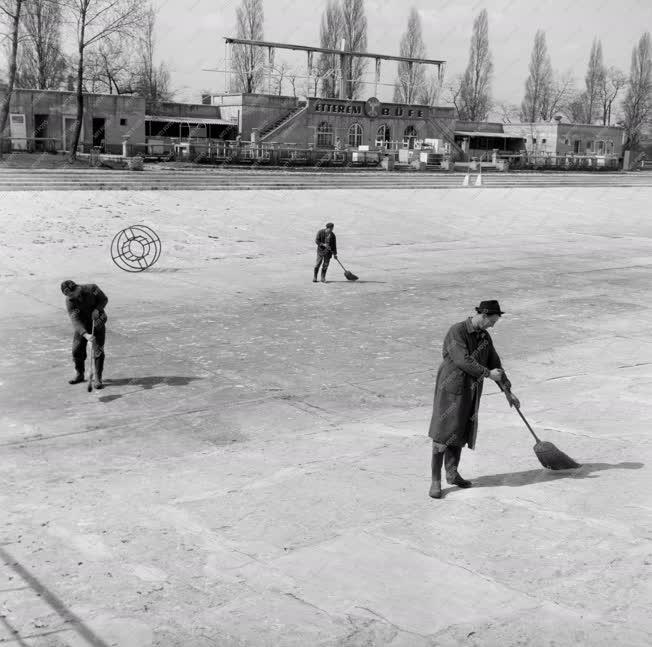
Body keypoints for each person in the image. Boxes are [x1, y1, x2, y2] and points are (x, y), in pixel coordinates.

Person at [428, 300, 520, 499]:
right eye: (492, 321)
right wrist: (487, 373)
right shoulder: (457, 331)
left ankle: (452, 474)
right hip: (451, 389)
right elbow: (463, 360)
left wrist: (508, 391)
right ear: (483, 316)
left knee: (460, 431)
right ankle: (435, 480)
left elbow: (495, 363)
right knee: (443, 432)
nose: (493, 326)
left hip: (471, 390)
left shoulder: (484, 337)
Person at [61, 280, 108, 389]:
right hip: (82, 325)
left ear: (77, 288)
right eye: (68, 295)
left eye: (72, 294)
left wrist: (97, 309)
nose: (71, 297)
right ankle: (80, 374)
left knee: (98, 350)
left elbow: (104, 299)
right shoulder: (70, 300)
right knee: (76, 349)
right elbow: (75, 320)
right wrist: (85, 334)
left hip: (97, 322)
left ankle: (98, 378)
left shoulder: (92, 288)